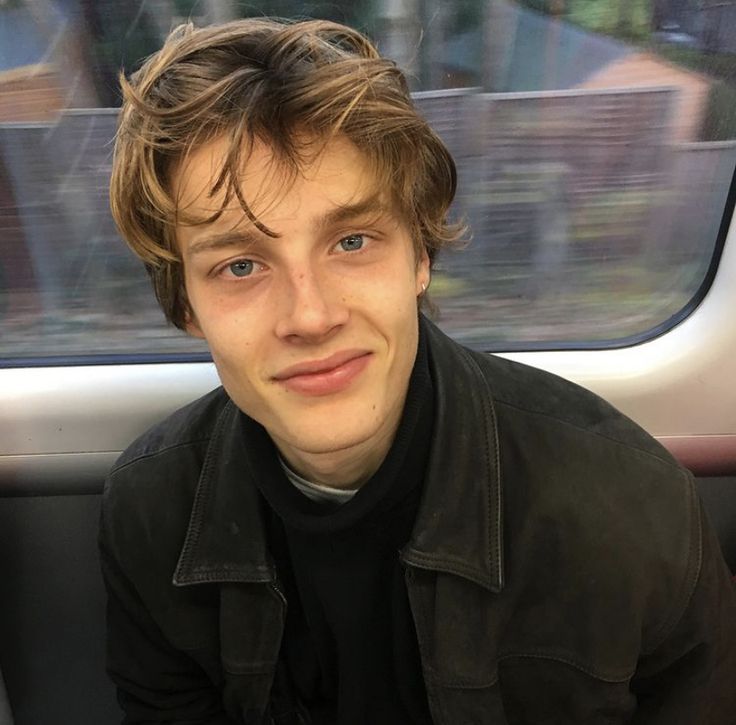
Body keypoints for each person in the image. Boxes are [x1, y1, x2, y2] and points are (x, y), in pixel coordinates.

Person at [100, 17, 736, 725]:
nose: (309, 316)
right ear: (186, 302)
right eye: (240, 265)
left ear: (419, 256)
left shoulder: (628, 511)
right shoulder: (149, 515)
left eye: (351, 240)